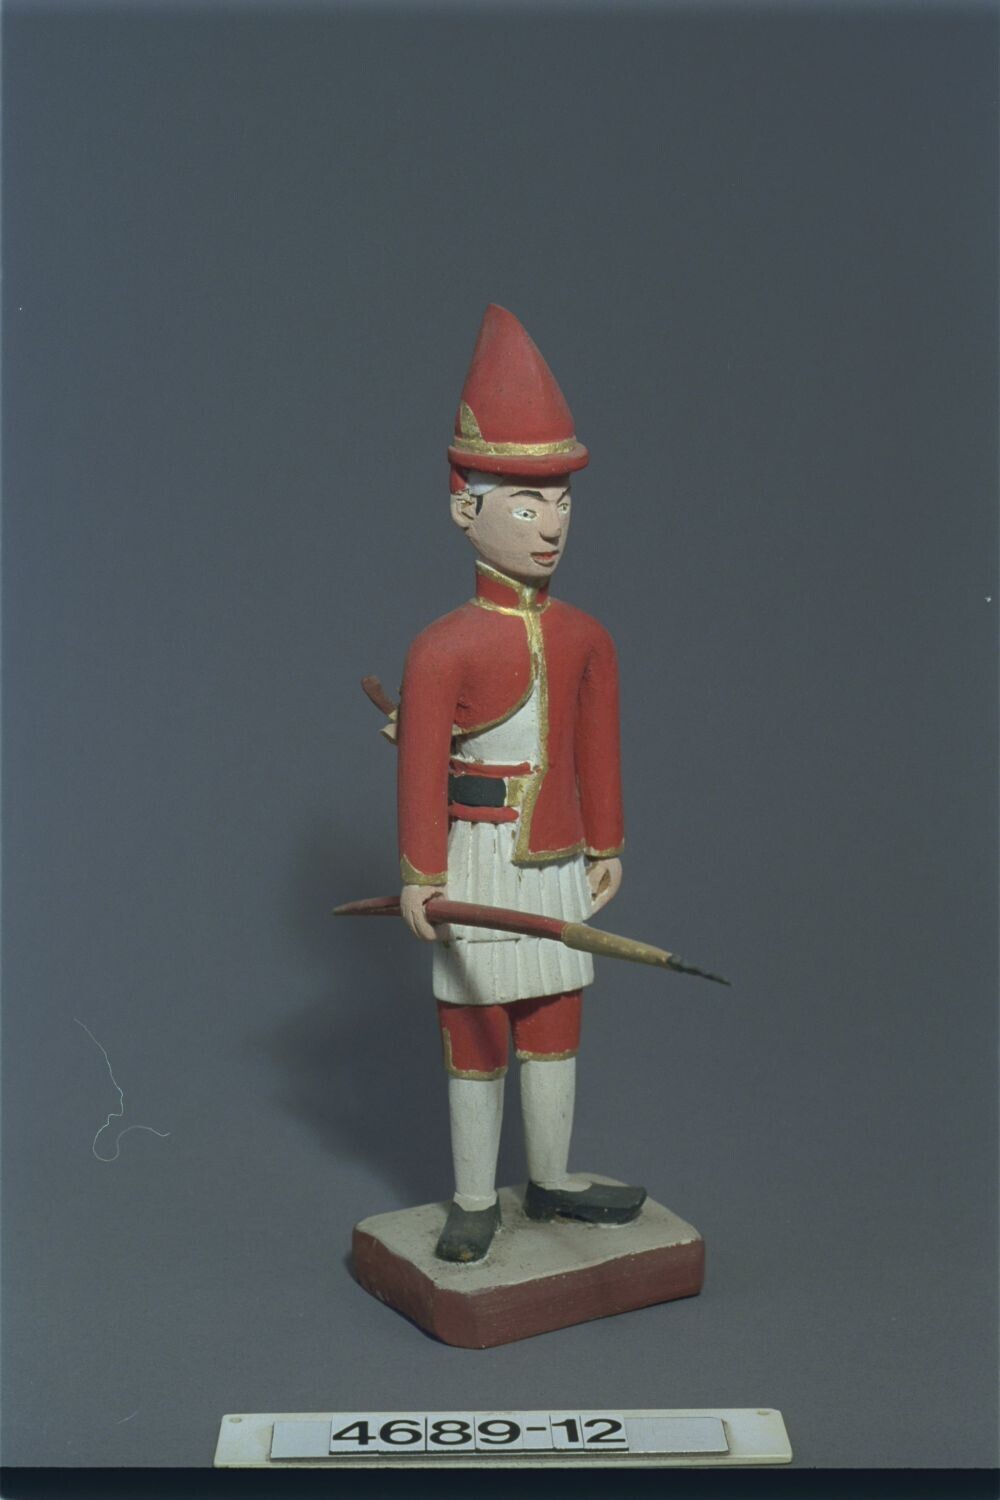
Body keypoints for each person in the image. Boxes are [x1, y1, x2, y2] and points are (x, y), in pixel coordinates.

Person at [396, 305, 645, 1262]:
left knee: (555, 1013)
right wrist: (421, 873)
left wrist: (607, 843)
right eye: (527, 503)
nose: (551, 525)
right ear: (466, 507)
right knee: (474, 1026)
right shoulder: (440, 649)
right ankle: (472, 1198)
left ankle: (551, 1178)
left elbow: (596, 749)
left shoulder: (586, 637)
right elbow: (422, 767)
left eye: (562, 502)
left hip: (553, 861)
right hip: (474, 856)